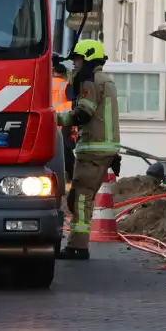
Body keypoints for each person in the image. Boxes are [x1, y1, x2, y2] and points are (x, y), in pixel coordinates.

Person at [56, 39, 120, 261]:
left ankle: (77, 246)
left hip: (93, 150)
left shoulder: (90, 81)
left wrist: (54, 119)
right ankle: (77, 243)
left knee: (81, 198)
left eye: (77, 60)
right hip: (102, 149)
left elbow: (84, 113)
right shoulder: (105, 80)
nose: (74, 64)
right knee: (78, 197)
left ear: (89, 58)